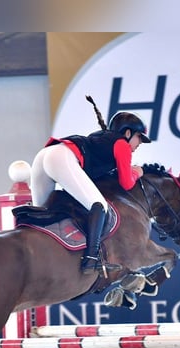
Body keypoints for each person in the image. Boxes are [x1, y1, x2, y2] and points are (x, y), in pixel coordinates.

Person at [30, 109, 151, 274]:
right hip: (61, 157)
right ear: (128, 133)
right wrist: (137, 172)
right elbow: (126, 183)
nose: (140, 144)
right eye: (139, 137)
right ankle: (91, 259)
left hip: (44, 155)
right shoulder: (122, 144)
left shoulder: (102, 138)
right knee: (99, 205)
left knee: (40, 213)